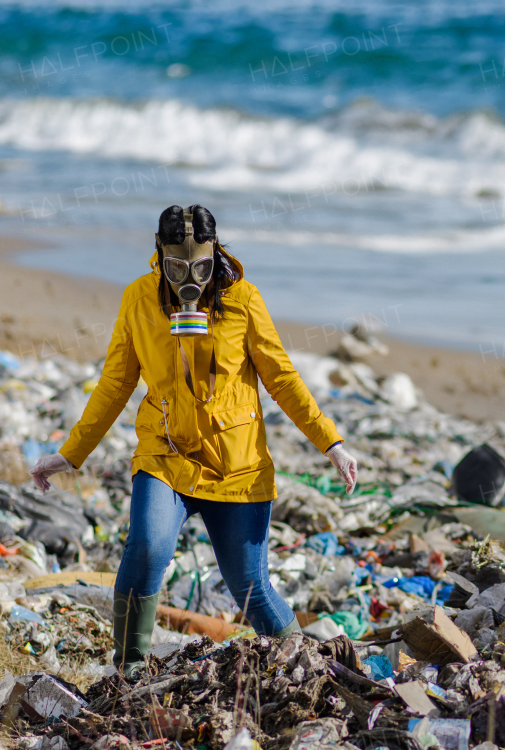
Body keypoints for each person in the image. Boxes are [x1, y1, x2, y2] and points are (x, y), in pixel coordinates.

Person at [29, 204, 358, 677]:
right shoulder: (139, 299)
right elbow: (115, 384)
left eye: (201, 268)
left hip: (236, 466)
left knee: (250, 586)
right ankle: (128, 672)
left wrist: (332, 445)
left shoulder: (243, 299)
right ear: (160, 257)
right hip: (165, 455)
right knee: (146, 547)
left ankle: (310, 670)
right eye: (178, 268)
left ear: (215, 255)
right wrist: (70, 454)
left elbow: (281, 378)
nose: (191, 280)